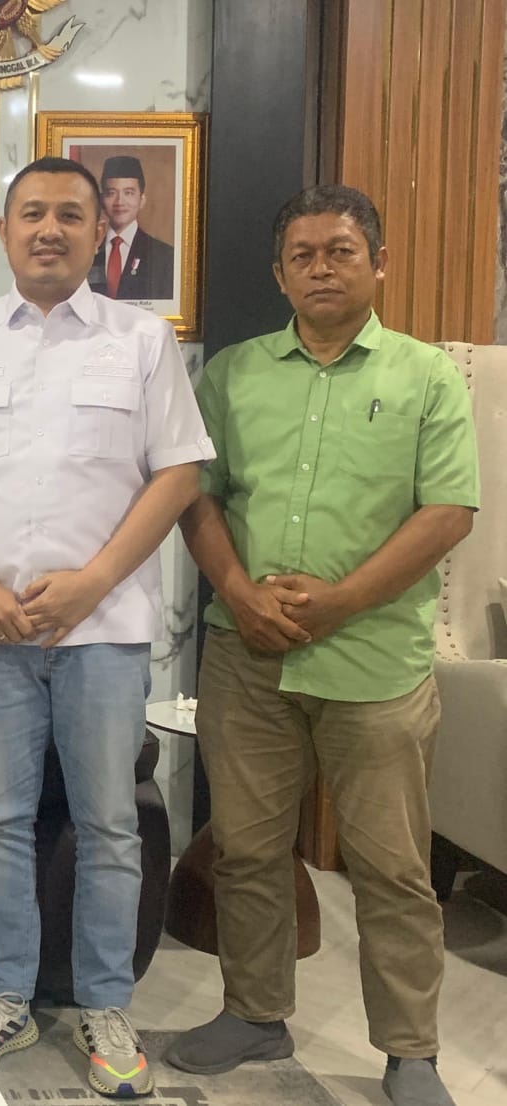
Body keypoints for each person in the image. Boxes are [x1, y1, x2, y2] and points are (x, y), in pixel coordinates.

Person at [165, 185, 478, 1106]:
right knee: (246, 850)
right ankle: (254, 1011)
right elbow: (196, 496)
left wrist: (339, 601)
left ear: (377, 263)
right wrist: (236, 593)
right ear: (279, 274)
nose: (320, 268)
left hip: (373, 663)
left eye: (340, 251)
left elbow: (447, 511)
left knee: (391, 867)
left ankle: (409, 1051)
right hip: (246, 654)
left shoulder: (425, 376)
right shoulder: (232, 374)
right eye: (301, 255)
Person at [0, 156, 213, 1098]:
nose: (49, 229)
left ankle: (104, 1003)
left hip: (105, 627)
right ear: (2, 231)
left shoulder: (142, 340)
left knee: (110, 824)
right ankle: (1, 994)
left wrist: (92, 583)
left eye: (70, 216)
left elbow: (178, 473)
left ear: (98, 233)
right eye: (32, 213)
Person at [88, 155, 174, 302]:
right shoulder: (87, 251)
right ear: (102, 200)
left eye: (128, 193)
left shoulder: (164, 256)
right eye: (111, 193)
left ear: (142, 200)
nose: (119, 202)